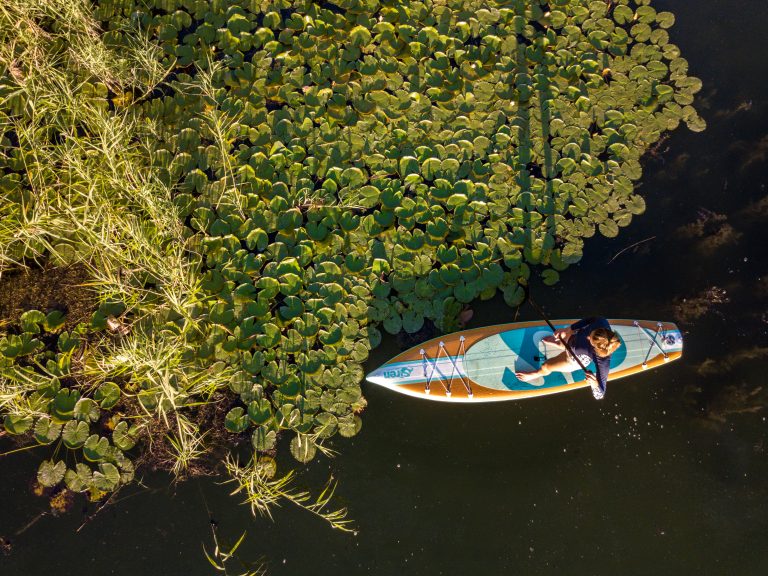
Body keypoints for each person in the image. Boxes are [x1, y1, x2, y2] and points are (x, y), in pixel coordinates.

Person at [514, 317, 622, 399]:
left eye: (590, 339)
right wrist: (569, 329)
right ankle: (560, 344)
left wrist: (594, 384)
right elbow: (590, 320)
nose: (587, 336)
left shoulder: (602, 360)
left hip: (574, 359)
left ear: (596, 349)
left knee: (546, 366)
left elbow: (600, 394)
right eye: (591, 333)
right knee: (566, 338)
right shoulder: (601, 322)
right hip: (574, 340)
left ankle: (536, 374)